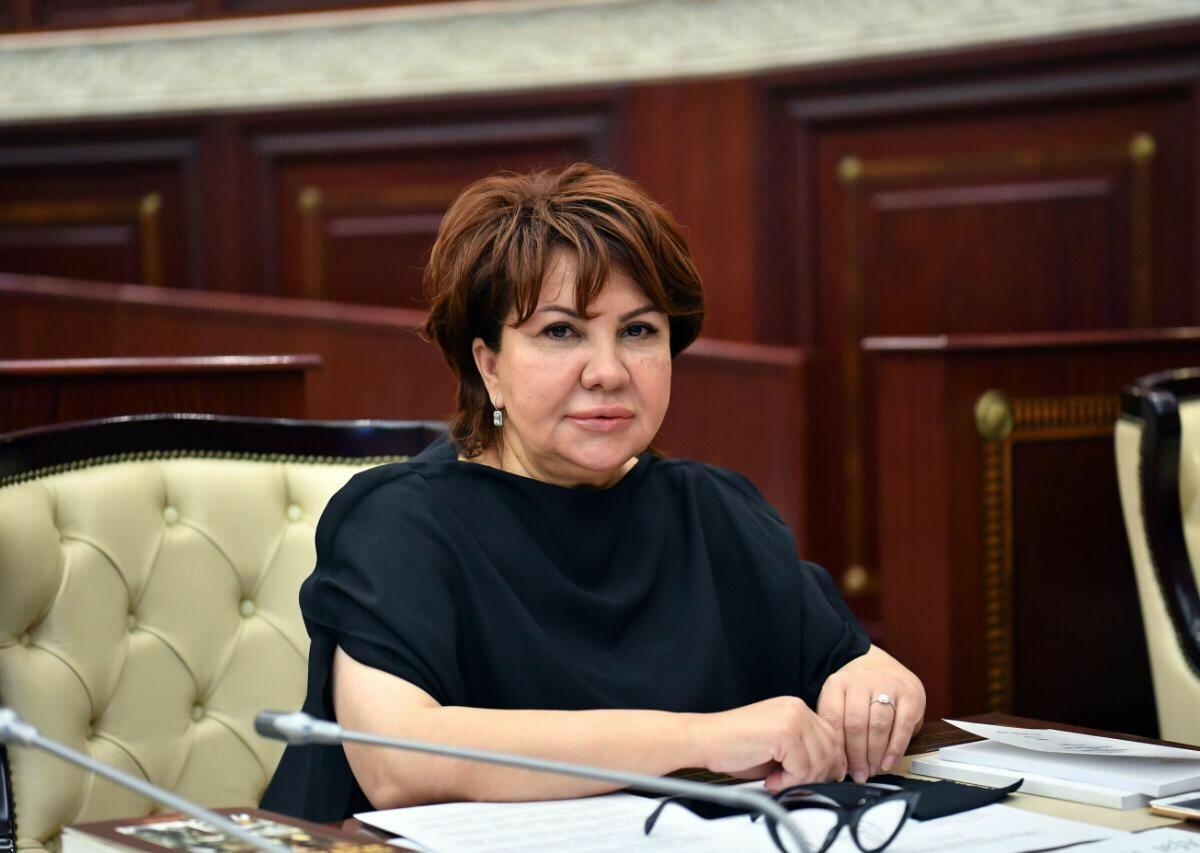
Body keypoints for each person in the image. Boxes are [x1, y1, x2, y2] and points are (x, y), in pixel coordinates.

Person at [261, 163, 925, 821]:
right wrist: (704, 740)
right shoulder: (397, 520)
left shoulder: (714, 510)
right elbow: (399, 762)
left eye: (638, 331)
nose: (608, 371)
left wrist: (876, 690)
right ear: (489, 365)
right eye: (561, 331)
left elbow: (856, 664)